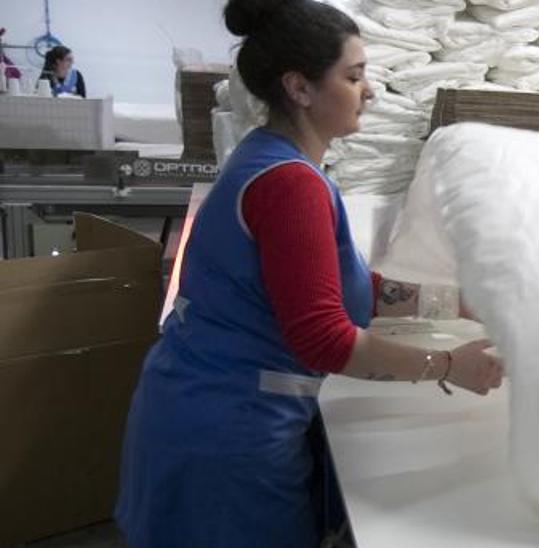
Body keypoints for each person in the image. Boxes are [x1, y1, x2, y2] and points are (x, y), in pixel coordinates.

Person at [114, 0, 504, 545]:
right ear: (300, 88)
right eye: (353, 76)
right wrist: (446, 365)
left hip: (202, 405)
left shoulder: (274, 160)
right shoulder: (289, 184)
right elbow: (323, 337)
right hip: (228, 434)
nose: (369, 91)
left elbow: (346, 286)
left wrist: (453, 302)